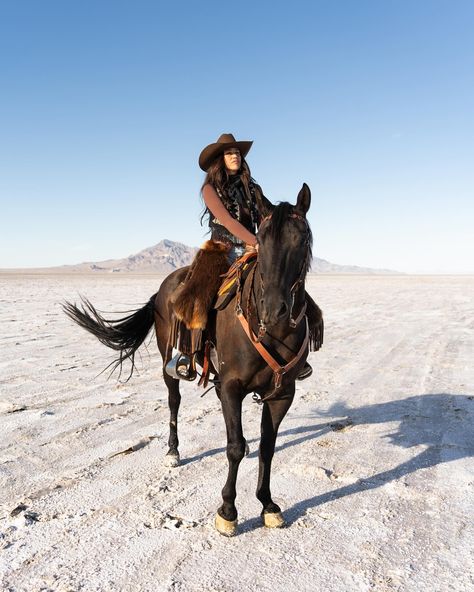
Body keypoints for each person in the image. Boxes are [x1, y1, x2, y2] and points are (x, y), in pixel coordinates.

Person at [166, 133, 314, 381]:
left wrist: (275, 232)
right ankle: (189, 356)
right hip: (220, 251)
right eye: (228, 153)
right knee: (196, 295)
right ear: (219, 159)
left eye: (237, 152)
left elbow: (266, 217)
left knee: (287, 286)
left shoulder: (252, 189)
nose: (235, 156)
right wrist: (253, 240)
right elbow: (226, 220)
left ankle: (295, 355)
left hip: (252, 250)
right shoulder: (210, 189)